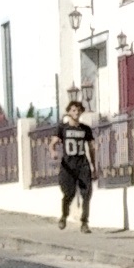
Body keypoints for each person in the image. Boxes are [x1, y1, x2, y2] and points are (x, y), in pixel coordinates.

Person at [56, 93, 97, 230]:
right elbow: (53, 142)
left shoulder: (85, 129)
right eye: (73, 110)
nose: (76, 112)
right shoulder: (63, 128)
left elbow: (91, 148)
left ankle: (84, 222)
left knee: (87, 193)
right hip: (68, 165)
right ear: (68, 112)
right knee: (69, 193)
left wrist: (93, 166)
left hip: (82, 165)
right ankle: (64, 216)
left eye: (78, 110)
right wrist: (52, 151)